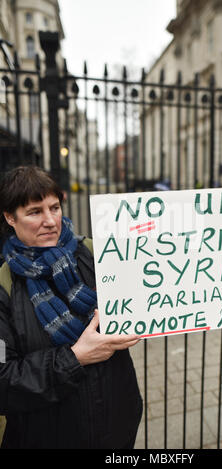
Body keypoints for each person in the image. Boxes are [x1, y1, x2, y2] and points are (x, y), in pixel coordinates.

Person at [0, 166, 143, 449]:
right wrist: (74, 358)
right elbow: (3, 382)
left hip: (117, 425)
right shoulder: (4, 287)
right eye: (35, 212)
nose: (51, 220)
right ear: (9, 217)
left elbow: (142, 303)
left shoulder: (95, 254)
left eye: (54, 207)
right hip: (45, 436)